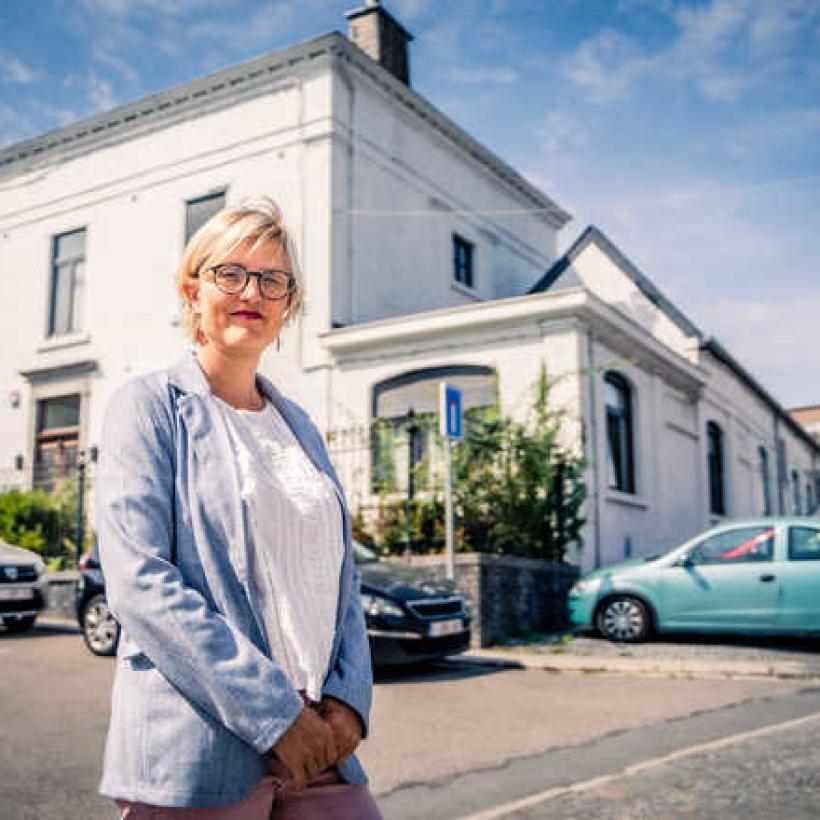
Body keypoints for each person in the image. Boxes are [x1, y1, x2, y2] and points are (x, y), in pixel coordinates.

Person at [95, 197, 381, 819]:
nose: (252, 290)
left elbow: (342, 579)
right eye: (230, 273)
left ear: (288, 305)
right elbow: (140, 583)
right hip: (201, 748)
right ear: (192, 290)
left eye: (272, 279)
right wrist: (274, 715)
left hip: (319, 744)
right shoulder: (146, 408)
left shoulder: (299, 427)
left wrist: (351, 700)